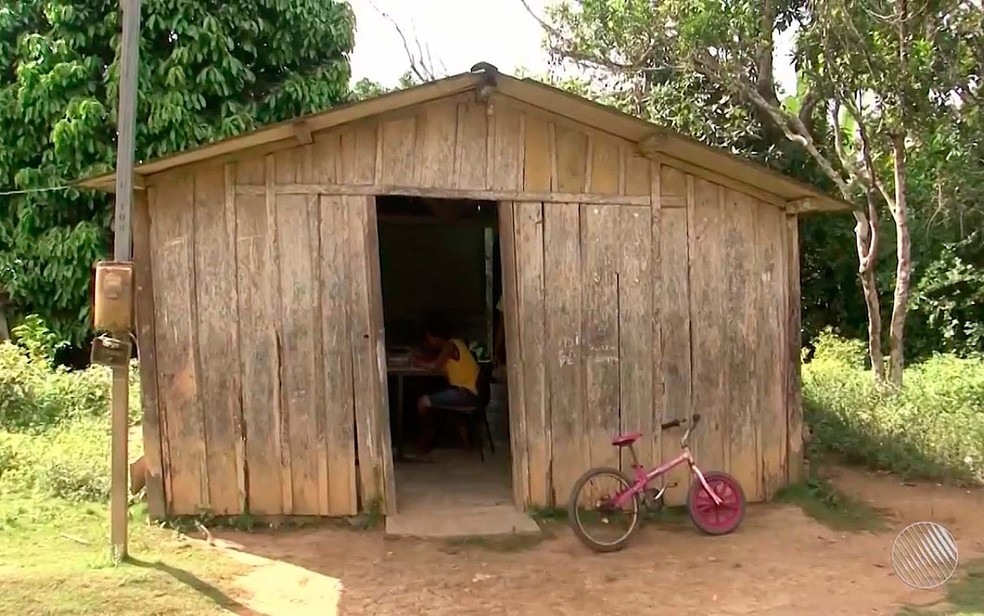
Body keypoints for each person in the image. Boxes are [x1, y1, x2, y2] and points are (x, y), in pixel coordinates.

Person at [411, 318, 481, 457]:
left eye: (428, 338)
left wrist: (415, 362)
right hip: (471, 392)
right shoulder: (457, 343)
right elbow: (438, 362)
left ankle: (424, 441)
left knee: (423, 401)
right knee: (433, 394)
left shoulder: (449, 347)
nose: (428, 342)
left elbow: (434, 366)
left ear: (436, 338)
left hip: (465, 394)